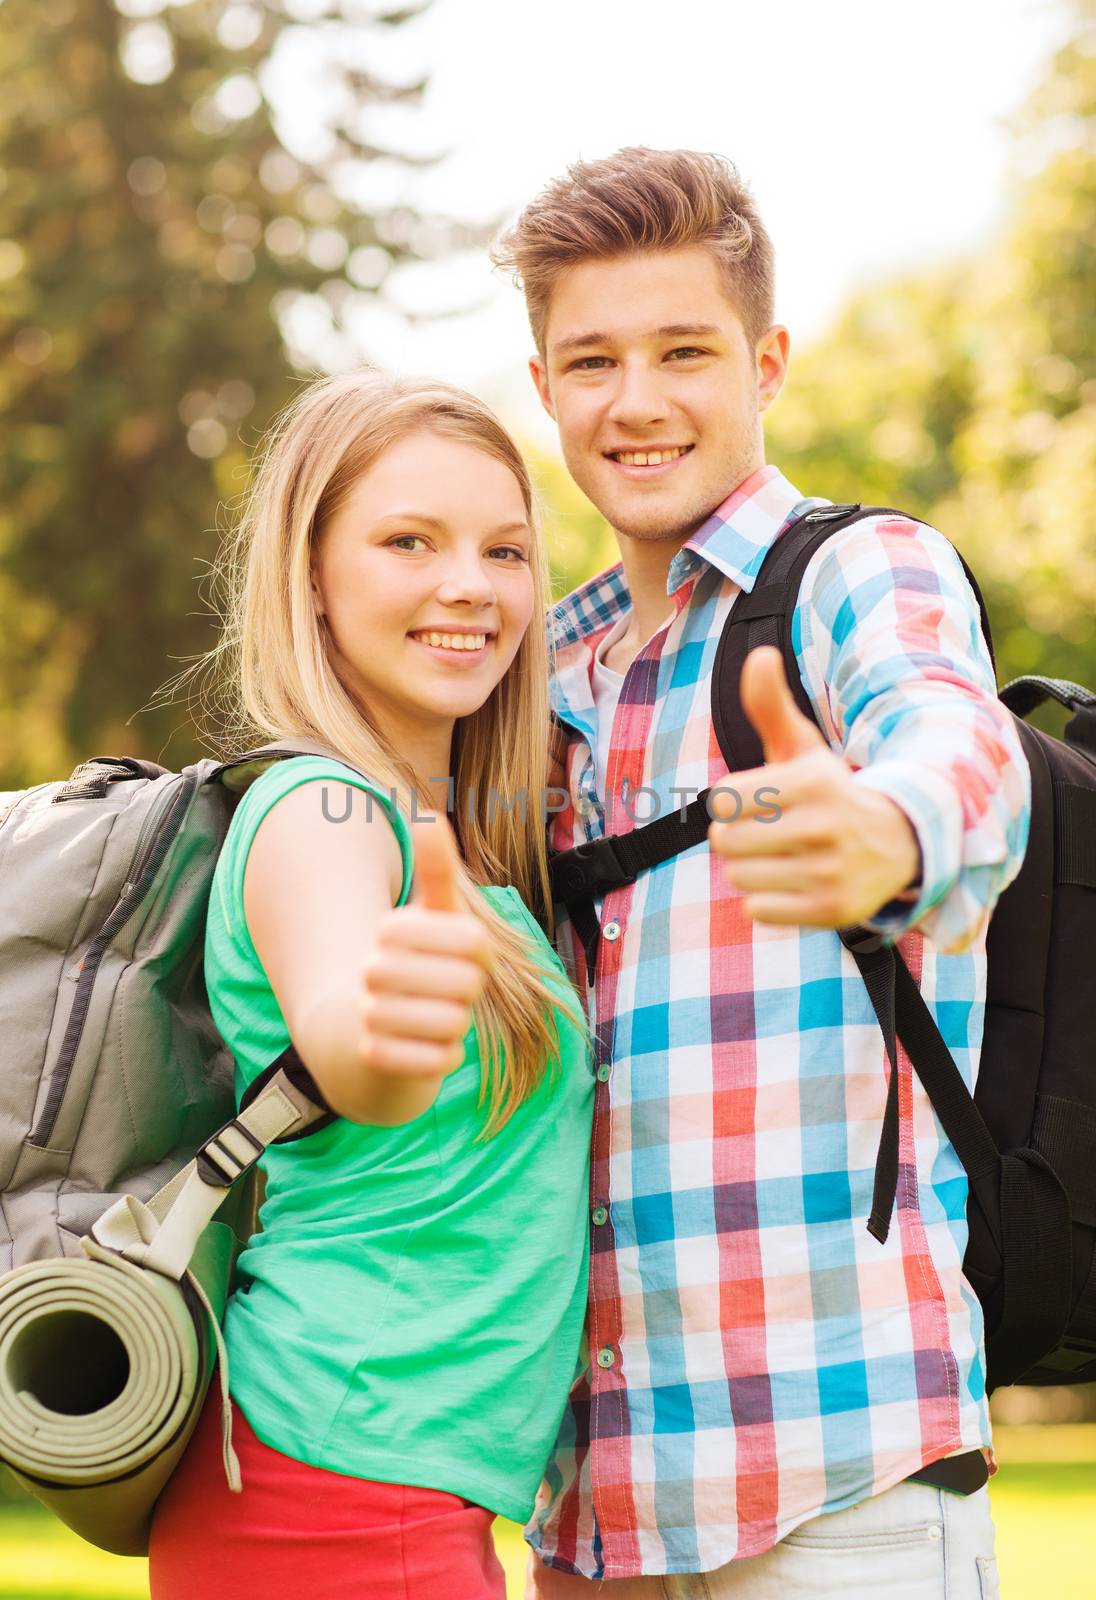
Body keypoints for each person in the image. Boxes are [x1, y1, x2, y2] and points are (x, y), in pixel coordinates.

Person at [491, 148, 1031, 1597]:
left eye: (685, 350)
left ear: (768, 362)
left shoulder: (861, 574)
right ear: (542, 385)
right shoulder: (548, 677)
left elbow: (959, 746)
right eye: (592, 359)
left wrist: (892, 827)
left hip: (833, 1490)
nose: (638, 399)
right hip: (598, 1517)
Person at [148, 373, 594, 1600]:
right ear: (310, 577)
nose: (472, 584)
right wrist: (388, 1046)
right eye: (410, 540)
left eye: (505, 549)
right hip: (335, 1496)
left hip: (372, 1488)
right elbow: (354, 1046)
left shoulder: (457, 845)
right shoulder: (321, 811)